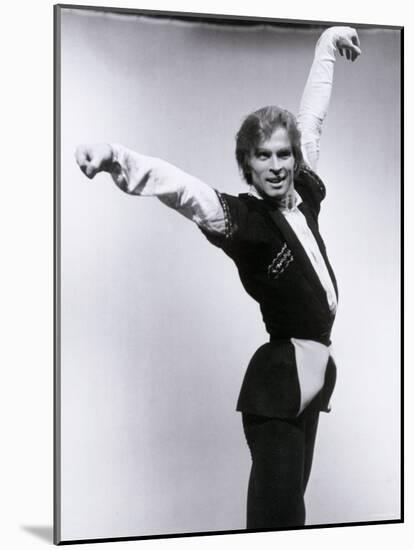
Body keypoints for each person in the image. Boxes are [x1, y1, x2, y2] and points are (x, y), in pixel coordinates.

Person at [75, 25, 361, 530]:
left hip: (310, 381)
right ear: (247, 168)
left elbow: (311, 119)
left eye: (283, 153)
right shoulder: (247, 221)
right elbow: (186, 190)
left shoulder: (307, 193)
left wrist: (326, 48)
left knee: (294, 513)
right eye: (262, 157)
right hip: (277, 387)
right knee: (278, 522)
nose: (276, 166)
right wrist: (116, 156)